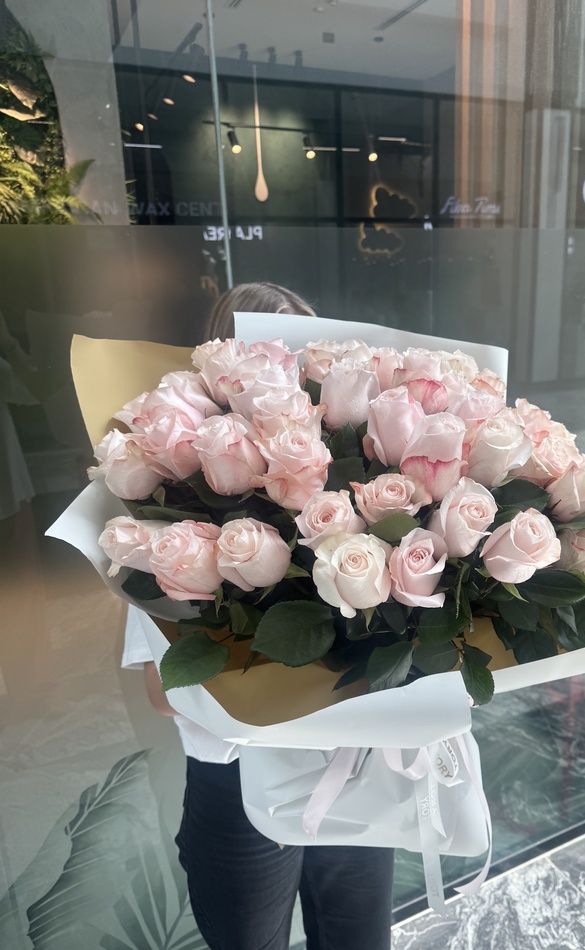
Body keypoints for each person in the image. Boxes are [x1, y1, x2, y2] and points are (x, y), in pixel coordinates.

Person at [123, 282, 395, 950]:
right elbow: (160, 692)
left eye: (306, 359)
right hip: (237, 784)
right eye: (271, 361)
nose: (290, 379)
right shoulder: (179, 519)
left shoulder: (356, 496)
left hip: (349, 763)